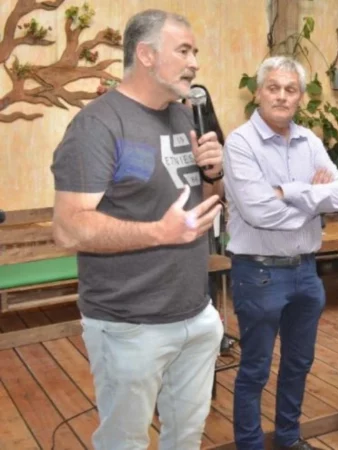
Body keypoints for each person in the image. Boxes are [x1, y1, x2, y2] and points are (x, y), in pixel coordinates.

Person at [50, 9, 225, 449]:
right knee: (124, 442)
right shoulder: (98, 125)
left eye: (195, 52)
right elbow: (68, 228)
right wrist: (158, 232)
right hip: (129, 326)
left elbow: (202, 204)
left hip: (195, 314)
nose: (194, 63)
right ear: (146, 55)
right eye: (183, 51)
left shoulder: (184, 117)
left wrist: (214, 174)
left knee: (186, 436)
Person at [223, 56, 338, 450]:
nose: (281, 96)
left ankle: (289, 439)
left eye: (290, 89)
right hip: (259, 274)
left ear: (300, 97)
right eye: (273, 87)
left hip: (307, 273)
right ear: (258, 93)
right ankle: (250, 445)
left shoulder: (310, 141)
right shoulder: (240, 142)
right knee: (255, 369)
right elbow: (258, 211)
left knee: (298, 364)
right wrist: (313, 200)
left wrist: (288, 192)